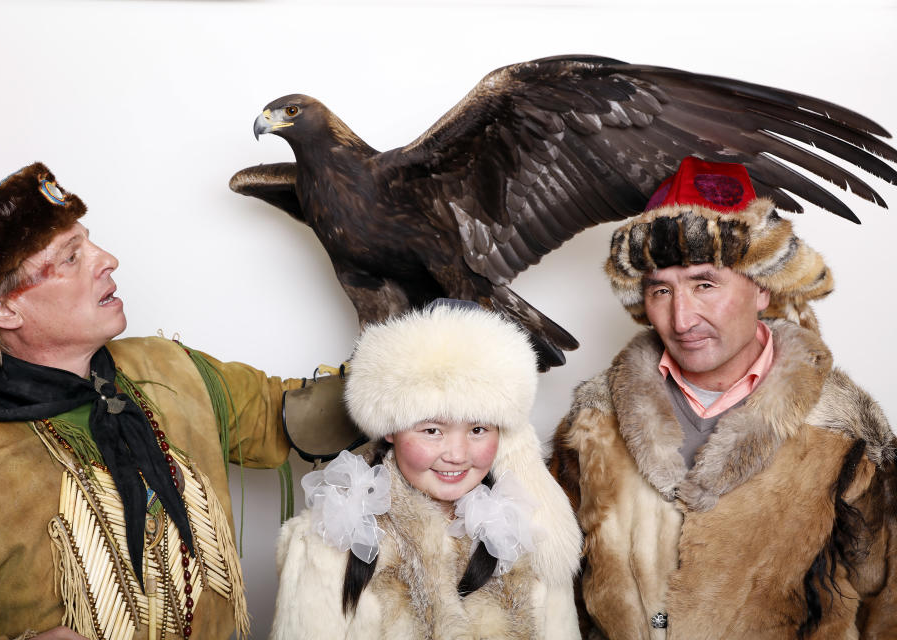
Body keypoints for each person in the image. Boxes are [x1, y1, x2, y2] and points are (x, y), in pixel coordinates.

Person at [0, 162, 307, 640]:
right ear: (3, 308)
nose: (107, 258)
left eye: (89, 240)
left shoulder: (166, 368)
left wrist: (413, 365)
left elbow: (293, 413)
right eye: (71, 257)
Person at [550, 156, 897, 639]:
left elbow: (887, 600)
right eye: (660, 291)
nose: (682, 318)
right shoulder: (593, 420)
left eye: (705, 284)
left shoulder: (842, 429)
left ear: (760, 289)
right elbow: (550, 586)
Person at [270, 301, 583, 639]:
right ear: (392, 427)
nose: (457, 455)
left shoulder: (531, 534)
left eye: (478, 430)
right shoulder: (331, 541)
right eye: (432, 430)